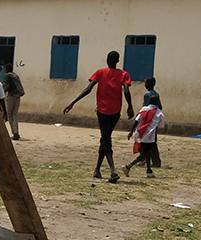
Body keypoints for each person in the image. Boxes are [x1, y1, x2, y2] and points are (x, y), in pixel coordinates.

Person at [64, 50, 133, 183]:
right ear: (118, 61)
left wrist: (73, 102)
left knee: (106, 138)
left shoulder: (100, 72)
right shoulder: (124, 74)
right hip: (115, 112)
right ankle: (97, 170)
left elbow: (88, 89)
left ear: (107, 60)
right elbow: (126, 90)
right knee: (105, 137)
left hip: (103, 111)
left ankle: (113, 171)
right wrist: (130, 106)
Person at [121, 102, 165, 178]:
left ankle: (149, 171)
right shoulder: (158, 112)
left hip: (140, 133)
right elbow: (161, 125)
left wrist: (131, 131)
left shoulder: (143, 109)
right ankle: (128, 166)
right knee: (145, 154)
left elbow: (136, 120)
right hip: (150, 135)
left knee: (147, 153)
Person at [141, 76, 162, 168]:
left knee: (144, 140)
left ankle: (144, 158)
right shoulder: (156, 94)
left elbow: (146, 109)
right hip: (155, 119)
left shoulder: (147, 95)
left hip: (148, 120)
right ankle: (155, 160)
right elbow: (160, 106)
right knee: (153, 140)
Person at [0, 62, 25, 140]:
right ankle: (16, 131)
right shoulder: (16, 75)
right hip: (18, 95)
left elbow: (7, 86)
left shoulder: (7, 75)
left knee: (9, 114)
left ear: (6, 69)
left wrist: (1, 93)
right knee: (15, 114)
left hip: (11, 95)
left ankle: (14, 133)